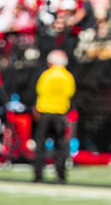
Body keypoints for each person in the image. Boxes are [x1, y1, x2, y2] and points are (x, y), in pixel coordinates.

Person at [32, 49, 76, 184]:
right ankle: (61, 176)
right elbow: (70, 93)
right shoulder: (68, 76)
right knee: (61, 146)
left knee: (40, 145)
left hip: (45, 113)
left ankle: (38, 175)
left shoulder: (46, 75)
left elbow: (40, 91)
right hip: (60, 113)